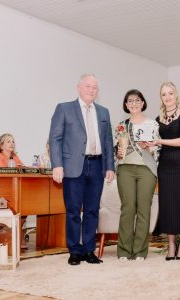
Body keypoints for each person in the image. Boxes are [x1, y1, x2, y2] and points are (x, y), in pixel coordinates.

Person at [49, 73, 115, 266]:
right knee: (73, 210)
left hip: (97, 165)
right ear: (78, 87)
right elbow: (55, 138)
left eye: (94, 87)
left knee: (93, 210)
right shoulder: (64, 108)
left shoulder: (103, 112)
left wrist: (110, 166)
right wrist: (57, 165)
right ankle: (74, 251)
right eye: (87, 86)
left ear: (98, 91)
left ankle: (88, 250)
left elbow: (108, 141)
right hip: (72, 166)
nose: (91, 90)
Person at [148, 81, 180, 261]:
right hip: (166, 165)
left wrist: (159, 142)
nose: (168, 97)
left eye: (170, 93)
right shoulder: (156, 120)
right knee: (168, 204)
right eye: (164, 94)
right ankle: (171, 245)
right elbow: (153, 145)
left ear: (176, 95)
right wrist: (145, 146)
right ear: (161, 98)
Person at [115, 89, 160, 261]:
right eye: (130, 101)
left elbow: (160, 148)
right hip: (125, 168)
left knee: (143, 209)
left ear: (142, 103)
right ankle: (124, 250)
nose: (133, 103)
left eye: (137, 100)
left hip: (146, 169)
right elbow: (117, 149)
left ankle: (140, 251)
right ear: (126, 105)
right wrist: (118, 153)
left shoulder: (153, 124)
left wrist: (149, 148)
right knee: (127, 209)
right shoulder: (121, 125)